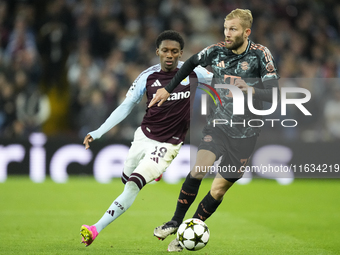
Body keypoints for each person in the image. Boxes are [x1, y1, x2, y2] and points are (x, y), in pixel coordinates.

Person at [150, 9, 280, 252]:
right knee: (198, 169)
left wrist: (249, 89)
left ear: (246, 32)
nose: (227, 34)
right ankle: (175, 221)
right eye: (225, 29)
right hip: (218, 125)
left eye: (233, 29)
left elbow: (274, 95)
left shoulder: (261, 55)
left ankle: (190, 230)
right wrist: (168, 88)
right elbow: (189, 63)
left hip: (246, 134)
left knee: (218, 190)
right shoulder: (216, 50)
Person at [80, 30, 212, 246]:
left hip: (168, 144)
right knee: (125, 179)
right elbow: (125, 107)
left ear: (181, 54)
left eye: (175, 51)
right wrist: (98, 131)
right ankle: (153, 173)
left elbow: (223, 81)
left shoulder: (195, 73)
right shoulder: (147, 77)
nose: (170, 55)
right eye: (166, 51)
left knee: (132, 185)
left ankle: (95, 228)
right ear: (157, 51)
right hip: (143, 136)